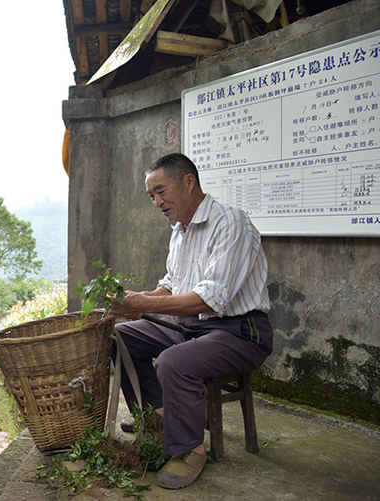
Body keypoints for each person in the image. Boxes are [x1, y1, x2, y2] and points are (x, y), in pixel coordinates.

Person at [108, 153, 274, 490]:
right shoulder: (179, 232)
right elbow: (171, 286)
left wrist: (143, 302)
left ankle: (190, 449)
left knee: (174, 362)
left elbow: (211, 298)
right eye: (150, 195)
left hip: (239, 331)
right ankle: (158, 417)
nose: (156, 202)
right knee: (119, 337)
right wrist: (137, 302)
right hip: (191, 326)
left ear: (188, 182)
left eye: (161, 191)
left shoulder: (230, 223)